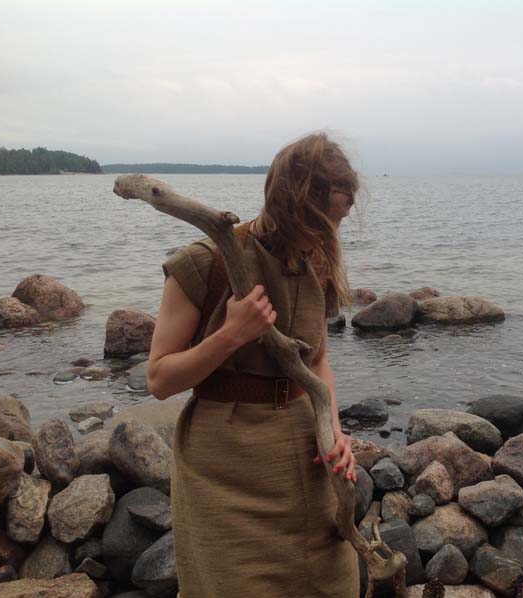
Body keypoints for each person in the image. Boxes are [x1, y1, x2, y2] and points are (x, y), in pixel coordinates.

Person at [147, 132, 361, 597]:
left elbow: (318, 360)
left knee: (333, 585)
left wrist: (334, 431)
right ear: (289, 201)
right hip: (224, 470)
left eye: (338, 220)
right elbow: (159, 379)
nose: (328, 234)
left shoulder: (316, 262)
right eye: (320, 220)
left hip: (304, 459)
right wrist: (231, 335)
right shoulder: (204, 263)